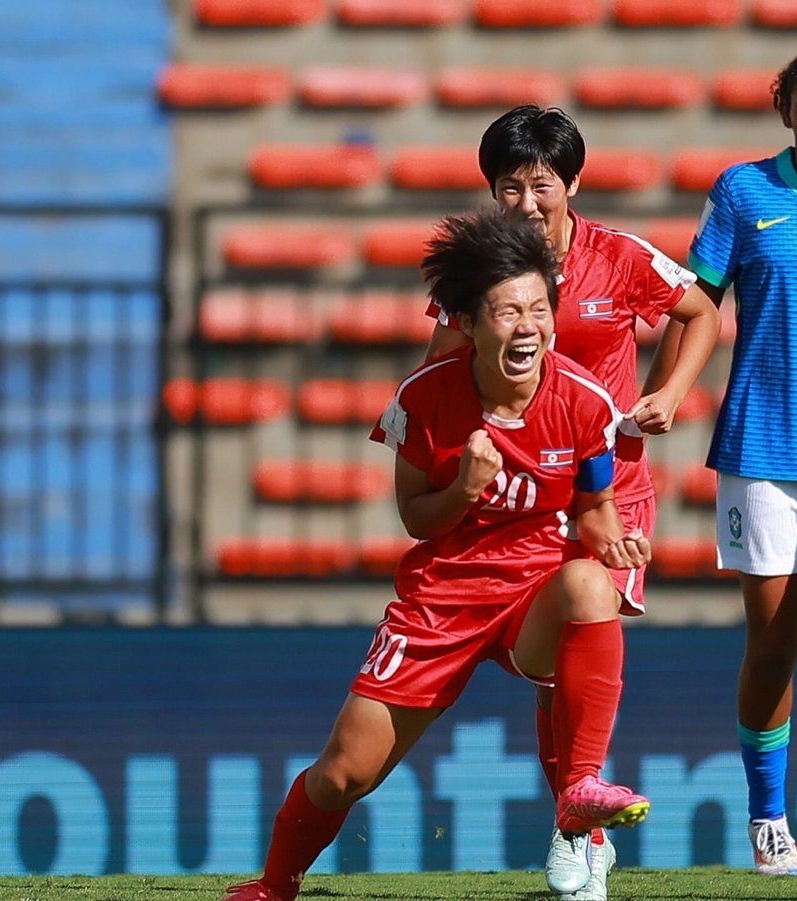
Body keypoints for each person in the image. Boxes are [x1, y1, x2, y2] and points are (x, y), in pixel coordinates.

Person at [222, 211, 652, 901]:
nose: (528, 326)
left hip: (533, 592)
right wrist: (463, 488)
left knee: (590, 586)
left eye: (540, 309)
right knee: (343, 772)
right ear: (467, 321)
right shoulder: (424, 398)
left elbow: (593, 508)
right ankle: (274, 886)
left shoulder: (585, 400)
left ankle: (579, 790)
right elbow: (416, 519)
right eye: (507, 310)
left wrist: (613, 539)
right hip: (442, 599)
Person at [422, 105, 721, 900]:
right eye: (508, 187)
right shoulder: (483, 275)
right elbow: (440, 370)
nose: (524, 202)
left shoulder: (618, 257)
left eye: (540, 185)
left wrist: (668, 393)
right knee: (556, 671)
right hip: (521, 506)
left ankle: (573, 830)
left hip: (605, 491)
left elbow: (700, 314)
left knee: (571, 659)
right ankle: (579, 824)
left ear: (573, 185)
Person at [661, 43, 797, 877]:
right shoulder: (743, 191)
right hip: (762, 442)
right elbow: (696, 299)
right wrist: (665, 392)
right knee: (775, 641)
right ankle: (767, 817)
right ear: (785, 107)